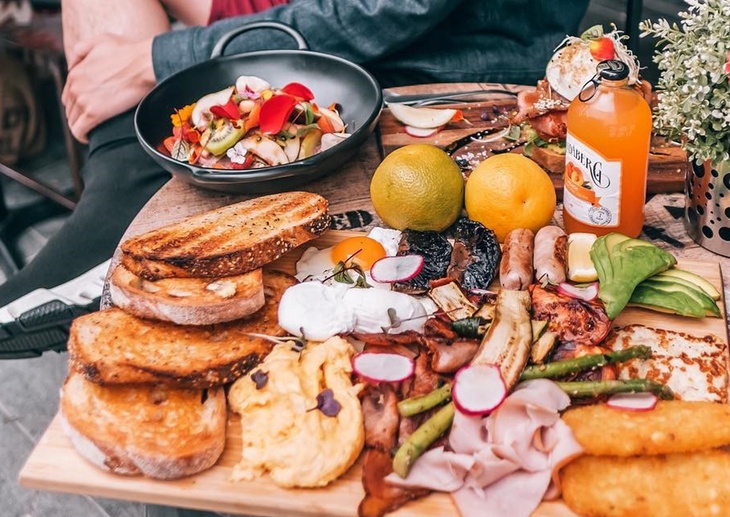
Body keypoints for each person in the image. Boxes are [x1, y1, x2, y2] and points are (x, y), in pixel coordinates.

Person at [0, 0, 589, 305]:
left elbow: (387, 12)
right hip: (327, 20)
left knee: (149, 65)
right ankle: (118, 188)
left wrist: (161, 59)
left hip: (435, 56)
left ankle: (113, 222)